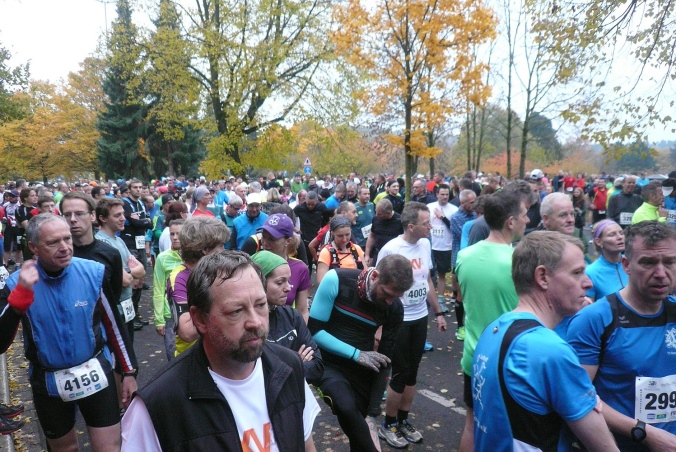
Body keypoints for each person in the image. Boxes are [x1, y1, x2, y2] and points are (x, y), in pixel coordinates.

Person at [121, 251, 320, 451]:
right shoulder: (157, 406)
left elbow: (306, 445)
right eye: (236, 311)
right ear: (200, 319)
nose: (255, 322)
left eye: (261, 305)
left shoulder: (288, 368)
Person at [0, 213, 138, 451]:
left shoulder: (93, 272)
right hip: (48, 380)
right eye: (53, 242)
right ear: (33, 247)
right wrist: (19, 299)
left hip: (95, 370)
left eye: (67, 239)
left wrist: (129, 372)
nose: (64, 247)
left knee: (108, 447)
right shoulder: (16, 284)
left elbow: (114, 325)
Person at [472, 232, 617, 451]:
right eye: (577, 272)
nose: (588, 283)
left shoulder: (494, 329)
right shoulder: (548, 350)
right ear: (542, 277)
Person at [565, 221, 676, 450]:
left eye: (669, 262)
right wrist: (645, 433)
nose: (660, 273)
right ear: (626, 265)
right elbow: (576, 396)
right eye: (648, 262)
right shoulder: (595, 320)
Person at [309, 254, 413, 451]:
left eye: (395, 297)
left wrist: (372, 413)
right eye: (386, 293)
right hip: (328, 363)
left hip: (363, 367)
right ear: (374, 277)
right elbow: (314, 332)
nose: (389, 301)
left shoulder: (394, 308)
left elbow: (385, 359)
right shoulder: (337, 280)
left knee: (360, 426)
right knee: (346, 407)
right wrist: (356, 354)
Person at [457, 190, 530, 452]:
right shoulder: (518, 262)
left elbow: (463, 298)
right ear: (510, 221)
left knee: (472, 424)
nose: (528, 220)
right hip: (510, 360)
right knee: (512, 433)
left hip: (474, 355)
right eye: (524, 215)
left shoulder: (464, 256)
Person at [376, 202, 447, 448]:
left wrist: (438, 311)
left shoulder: (425, 244)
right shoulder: (392, 248)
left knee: (412, 371)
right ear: (410, 226)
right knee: (400, 372)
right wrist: (378, 325)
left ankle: (403, 420)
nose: (431, 227)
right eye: (426, 223)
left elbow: (427, 280)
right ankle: (388, 425)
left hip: (420, 316)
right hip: (398, 320)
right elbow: (378, 286)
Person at [251, 250, 323, 384]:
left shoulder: (292, 316)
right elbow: (255, 377)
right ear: (259, 282)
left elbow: (317, 366)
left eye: (288, 281)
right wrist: (297, 361)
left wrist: (280, 368)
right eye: (280, 282)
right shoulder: (250, 324)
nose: (288, 288)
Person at [170, 217, 230, 357]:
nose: (224, 251)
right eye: (221, 246)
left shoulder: (216, 271)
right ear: (205, 249)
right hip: (193, 358)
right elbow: (186, 332)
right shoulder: (180, 278)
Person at [94, 197, 146, 337]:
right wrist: (129, 272)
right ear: (103, 218)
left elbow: (141, 271)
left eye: (123, 214)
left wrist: (127, 272)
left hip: (127, 307)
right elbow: (124, 280)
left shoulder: (119, 240)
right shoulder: (102, 244)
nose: (123, 218)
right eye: (117, 215)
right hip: (115, 310)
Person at [257, 213, 311, 323]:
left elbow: (302, 310)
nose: (265, 243)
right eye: (264, 237)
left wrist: (301, 331)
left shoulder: (300, 268)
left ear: (288, 241)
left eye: (272, 239)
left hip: (285, 328)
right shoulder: (254, 263)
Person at [120, 180, 153, 330]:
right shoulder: (126, 204)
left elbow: (149, 223)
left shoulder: (141, 203)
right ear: (129, 189)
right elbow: (136, 224)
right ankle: (130, 316)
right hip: (130, 243)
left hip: (140, 243)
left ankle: (136, 312)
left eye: (140, 187)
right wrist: (143, 221)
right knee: (133, 280)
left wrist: (142, 221)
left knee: (141, 279)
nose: (138, 190)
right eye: (135, 187)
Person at [152, 219, 185, 361]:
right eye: (172, 234)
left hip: (190, 312)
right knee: (173, 355)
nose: (175, 237)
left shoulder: (196, 256)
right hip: (170, 314)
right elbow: (158, 289)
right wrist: (159, 319)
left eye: (179, 234)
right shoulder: (162, 258)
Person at [449, 189, 477, 339]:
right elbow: (469, 236)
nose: (474, 204)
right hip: (460, 258)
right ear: (462, 202)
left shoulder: (476, 214)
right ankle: (460, 327)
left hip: (476, 258)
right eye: (471, 202)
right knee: (461, 293)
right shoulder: (456, 218)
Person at [585, 220, 627, 301]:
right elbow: (589, 306)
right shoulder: (590, 273)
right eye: (612, 235)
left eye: (621, 233)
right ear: (599, 242)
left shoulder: (633, 263)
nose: (620, 237)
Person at [316, 216, 364, 284]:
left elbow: (365, 274)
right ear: (332, 233)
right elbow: (321, 282)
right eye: (340, 236)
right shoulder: (326, 252)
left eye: (347, 234)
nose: (344, 239)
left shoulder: (356, 249)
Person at [364, 199, 403, 267]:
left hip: (393, 257)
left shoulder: (400, 221)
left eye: (379, 214)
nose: (376, 215)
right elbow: (371, 236)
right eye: (376, 212)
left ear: (388, 213)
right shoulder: (375, 219)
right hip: (378, 253)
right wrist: (367, 255)